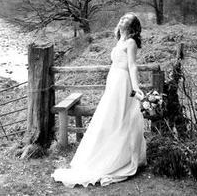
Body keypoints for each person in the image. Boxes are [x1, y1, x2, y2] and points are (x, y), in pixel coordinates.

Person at [51, 13, 147, 187]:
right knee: (109, 117)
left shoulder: (131, 42)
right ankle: (106, 153)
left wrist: (136, 88)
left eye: (127, 19)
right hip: (113, 81)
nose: (122, 20)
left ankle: (121, 157)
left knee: (121, 118)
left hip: (124, 83)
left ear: (132, 26)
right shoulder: (120, 40)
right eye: (122, 18)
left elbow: (132, 66)